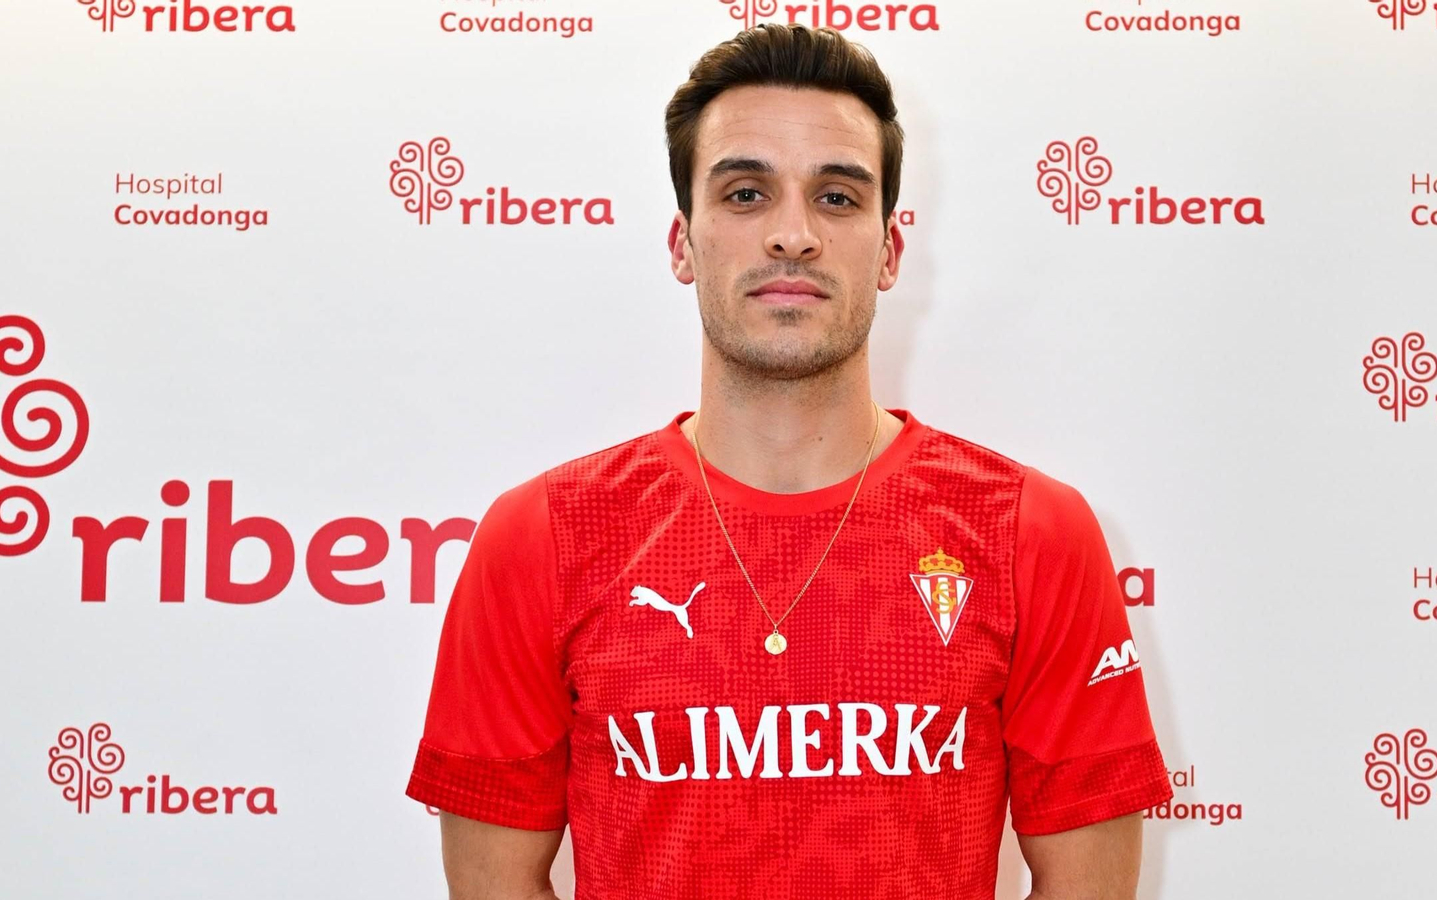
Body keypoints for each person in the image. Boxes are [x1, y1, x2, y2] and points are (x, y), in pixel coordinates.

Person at [405, 22, 1172, 900]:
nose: (794, 235)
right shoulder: (541, 536)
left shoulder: (1030, 531)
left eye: (838, 198)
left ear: (888, 252)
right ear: (682, 245)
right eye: (744, 194)